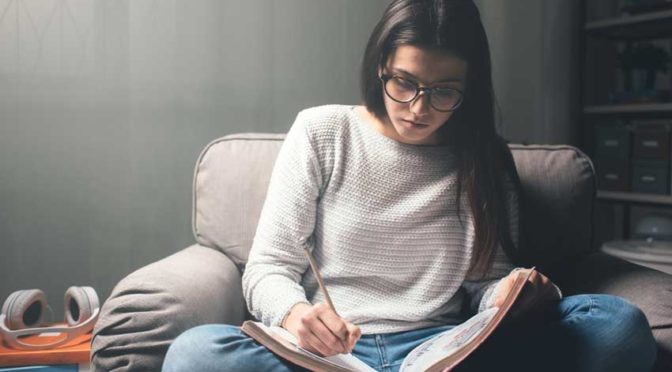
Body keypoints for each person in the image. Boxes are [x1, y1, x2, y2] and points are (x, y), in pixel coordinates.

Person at [162, 0, 658, 371]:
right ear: (380, 68)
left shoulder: (483, 157)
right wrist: (295, 315)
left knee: (617, 326)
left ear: (470, 89)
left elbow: (485, 286)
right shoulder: (322, 132)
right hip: (332, 356)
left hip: (443, 349)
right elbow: (268, 268)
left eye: (444, 92)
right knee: (194, 355)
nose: (420, 108)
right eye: (404, 83)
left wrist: (512, 294)